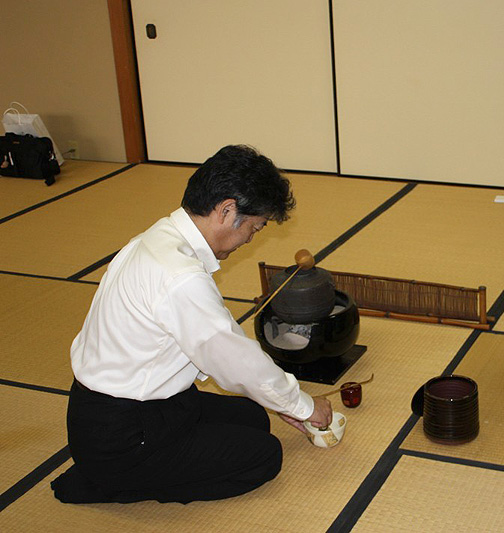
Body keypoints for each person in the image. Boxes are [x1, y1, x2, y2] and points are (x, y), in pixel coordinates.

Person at [51, 145, 332, 504]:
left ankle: (117, 467)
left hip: (129, 408)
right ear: (227, 210)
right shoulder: (180, 277)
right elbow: (234, 359)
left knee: (253, 416)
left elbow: (214, 346)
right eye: (255, 227)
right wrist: (304, 406)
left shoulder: (158, 239)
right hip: (123, 432)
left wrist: (283, 403)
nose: (250, 238)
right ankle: (113, 481)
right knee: (264, 456)